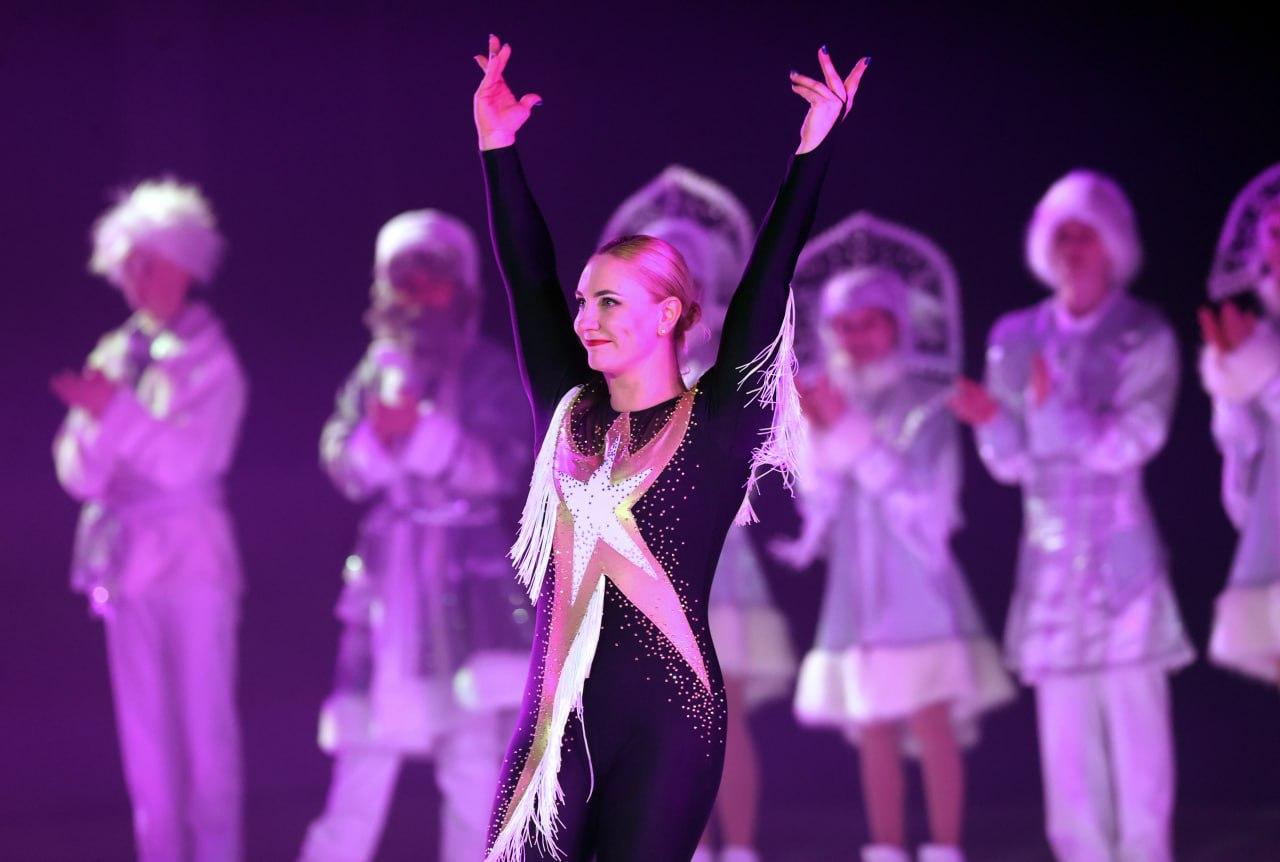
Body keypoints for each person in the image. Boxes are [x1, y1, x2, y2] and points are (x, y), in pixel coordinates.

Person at [473, 33, 867, 861]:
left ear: (667, 315)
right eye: (585, 302)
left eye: (610, 303)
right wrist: (498, 149)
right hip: (551, 728)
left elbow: (767, 281)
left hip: (669, 726)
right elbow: (528, 278)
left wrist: (814, 152)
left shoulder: (717, 423)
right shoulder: (568, 413)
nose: (585, 320)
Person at [949, 170, 1191, 862]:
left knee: (1137, 732)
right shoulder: (1015, 335)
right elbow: (1013, 465)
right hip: (1050, 561)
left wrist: (1053, 411)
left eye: (1086, 234)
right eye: (1062, 234)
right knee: (1065, 741)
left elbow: (1135, 439)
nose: (1072, 247)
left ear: (1113, 246)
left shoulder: (1142, 332)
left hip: (1122, 560)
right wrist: (993, 421)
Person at [772, 214, 1013, 862]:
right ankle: (883, 846)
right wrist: (819, 437)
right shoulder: (828, 397)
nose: (857, 337)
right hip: (857, 581)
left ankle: (944, 846)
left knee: (930, 717)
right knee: (872, 721)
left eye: (870, 323)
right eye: (845, 326)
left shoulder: (926, 399)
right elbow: (819, 504)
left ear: (897, 325)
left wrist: (849, 433)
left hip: (916, 577)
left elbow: (927, 502)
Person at [299, 210, 534, 862]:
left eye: (433, 278)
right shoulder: (372, 371)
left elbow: (506, 462)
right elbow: (341, 459)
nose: (418, 294)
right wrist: (378, 440)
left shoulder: (486, 369)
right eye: (405, 280)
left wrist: (424, 433)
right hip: (390, 587)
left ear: (460, 287)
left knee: (473, 759)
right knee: (363, 756)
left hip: (467, 584)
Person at [600, 166, 797, 862]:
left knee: (716, 709)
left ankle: (736, 849)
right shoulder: (617, 371)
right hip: (629, 559)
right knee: (645, 715)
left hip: (713, 561)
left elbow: (752, 460)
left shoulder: (727, 368)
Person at [52, 178, 247, 862]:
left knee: (204, 736)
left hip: (192, 561)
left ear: (185, 265)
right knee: (146, 745)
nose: (138, 279)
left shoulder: (211, 358)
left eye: (152, 264)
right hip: (126, 564)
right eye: (129, 265)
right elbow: (78, 472)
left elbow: (186, 462)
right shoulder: (115, 353)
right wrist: (100, 427)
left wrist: (113, 417)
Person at [1199, 164, 1280, 685]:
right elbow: (1243, 462)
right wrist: (1230, 375)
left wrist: (1259, 370)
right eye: (1273, 231)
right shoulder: (1262, 333)